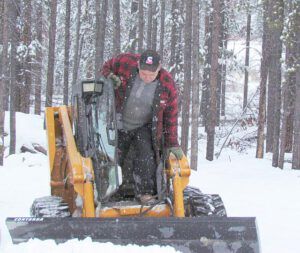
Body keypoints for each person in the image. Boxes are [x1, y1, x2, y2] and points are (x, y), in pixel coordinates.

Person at [100, 49, 183, 204]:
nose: (146, 77)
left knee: (146, 155)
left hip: (144, 126)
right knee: (112, 155)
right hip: (118, 121)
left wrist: (172, 143)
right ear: (138, 65)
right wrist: (109, 77)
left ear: (159, 68)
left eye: (151, 74)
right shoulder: (126, 62)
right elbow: (105, 67)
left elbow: (171, 116)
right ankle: (108, 191)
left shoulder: (167, 84)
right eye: (143, 73)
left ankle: (145, 193)